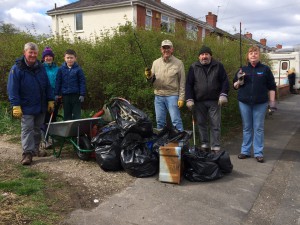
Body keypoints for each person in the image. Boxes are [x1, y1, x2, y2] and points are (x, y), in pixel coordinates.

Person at [7, 42, 54, 165]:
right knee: (27, 129)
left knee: (37, 129)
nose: (33, 55)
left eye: (35, 53)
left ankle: (35, 150)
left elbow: (47, 85)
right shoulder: (17, 69)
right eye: (30, 52)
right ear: (24, 53)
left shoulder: (41, 67)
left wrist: (50, 99)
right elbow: (12, 89)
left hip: (40, 105)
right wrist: (15, 105)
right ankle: (27, 154)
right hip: (26, 106)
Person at [233, 45, 277, 163]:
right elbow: (234, 86)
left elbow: (272, 87)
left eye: (256, 53)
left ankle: (258, 152)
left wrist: (272, 103)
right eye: (251, 53)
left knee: (258, 128)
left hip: (260, 103)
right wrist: (239, 80)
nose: (253, 54)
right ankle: (245, 151)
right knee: (247, 127)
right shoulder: (242, 69)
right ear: (248, 56)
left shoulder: (265, 69)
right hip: (244, 102)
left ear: (259, 55)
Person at [185, 45, 229, 153]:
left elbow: (225, 81)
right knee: (201, 124)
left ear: (210, 55)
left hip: (215, 101)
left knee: (215, 124)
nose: (204, 56)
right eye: (202, 54)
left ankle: (215, 146)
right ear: (199, 57)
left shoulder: (218, 66)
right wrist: (189, 99)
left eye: (206, 54)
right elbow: (189, 84)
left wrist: (223, 94)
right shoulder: (193, 67)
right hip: (199, 101)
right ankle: (205, 144)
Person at [144, 40, 185, 131]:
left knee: (176, 121)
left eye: (168, 47)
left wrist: (181, 98)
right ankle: (161, 143)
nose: (166, 50)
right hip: (158, 96)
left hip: (172, 96)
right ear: (161, 49)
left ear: (172, 49)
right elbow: (151, 81)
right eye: (164, 48)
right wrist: (148, 76)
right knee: (160, 122)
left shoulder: (179, 63)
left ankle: (181, 142)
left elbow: (182, 82)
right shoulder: (155, 63)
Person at [55, 49, 86, 121]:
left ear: (75, 58)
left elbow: (82, 82)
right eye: (68, 58)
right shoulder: (61, 69)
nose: (69, 60)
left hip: (76, 95)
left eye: (71, 58)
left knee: (77, 114)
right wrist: (56, 93)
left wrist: (82, 94)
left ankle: (77, 130)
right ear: (64, 58)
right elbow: (58, 81)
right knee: (67, 114)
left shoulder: (79, 69)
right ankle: (68, 130)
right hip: (65, 95)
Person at [41, 47, 60, 148]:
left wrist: (59, 93)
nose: (48, 58)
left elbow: (60, 81)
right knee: (44, 119)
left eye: (50, 56)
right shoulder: (40, 68)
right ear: (43, 58)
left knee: (53, 118)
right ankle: (44, 140)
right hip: (44, 97)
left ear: (52, 57)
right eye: (46, 56)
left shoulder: (57, 68)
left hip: (55, 97)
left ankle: (52, 137)